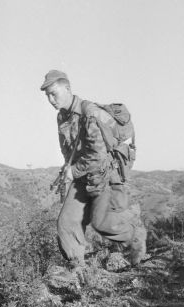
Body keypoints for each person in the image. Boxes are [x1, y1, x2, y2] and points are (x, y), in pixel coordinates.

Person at [41, 69, 147, 283]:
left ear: (68, 89)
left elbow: (98, 157)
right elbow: (71, 150)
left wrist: (73, 171)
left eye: (54, 93)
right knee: (66, 222)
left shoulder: (90, 113)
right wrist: (67, 169)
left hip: (105, 176)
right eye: (48, 96)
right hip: (83, 176)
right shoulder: (63, 116)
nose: (51, 100)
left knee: (102, 223)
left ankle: (136, 238)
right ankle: (79, 271)